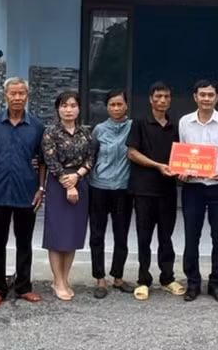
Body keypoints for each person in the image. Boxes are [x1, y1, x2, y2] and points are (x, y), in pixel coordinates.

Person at [0, 78, 45, 309]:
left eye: (22, 93)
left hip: (26, 192)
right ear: (5, 95)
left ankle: (23, 287)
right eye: (13, 93)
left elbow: (42, 162)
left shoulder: (37, 127)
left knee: (24, 242)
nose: (17, 97)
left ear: (27, 96)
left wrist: (41, 188)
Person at [126, 82, 185, 301]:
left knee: (166, 237)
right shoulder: (140, 123)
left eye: (166, 96)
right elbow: (132, 153)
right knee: (144, 237)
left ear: (170, 100)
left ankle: (168, 277)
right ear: (151, 99)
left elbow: (184, 156)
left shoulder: (175, 126)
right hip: (143, 190)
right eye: (158, 96)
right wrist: (158, 165)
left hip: (167, 191)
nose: (162, 100)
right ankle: (143, 280)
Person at [178, 80, 218, 303]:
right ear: (195, 97)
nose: (206, 99)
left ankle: (217, 284)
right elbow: (183, 152)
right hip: (193, 188)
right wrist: (182, 170)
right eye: (202, 94)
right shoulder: (185, 122)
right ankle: (192, 284)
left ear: (217, 97)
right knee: (191, 237)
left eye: (210, 95)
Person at [41, 91, 93, 301]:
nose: (68, 109)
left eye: (72, 105)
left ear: (79, 109)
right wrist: (67, 182)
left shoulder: (86, 133)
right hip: (57, 185)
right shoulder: (50, 132)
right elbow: (50, 161)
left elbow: (91, 158)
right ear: (58, 108)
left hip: (80, 183)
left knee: (72, 235)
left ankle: (65, 278)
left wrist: (77, 176)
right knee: (56, 236)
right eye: (64, 105)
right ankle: (57, 281)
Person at [88, 89, 134, 299]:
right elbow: (91, 155)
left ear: (126, 105)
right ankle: (100, 279)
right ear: (107, 107)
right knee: (97, 234)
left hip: (123, 188)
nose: (116, 109)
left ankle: (118, 276)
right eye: (112, 105)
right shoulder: (99, 129)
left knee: (121, 234)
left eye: (119, 104)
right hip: (98, 187)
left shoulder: (133, 127)